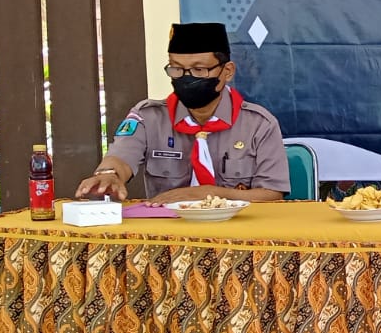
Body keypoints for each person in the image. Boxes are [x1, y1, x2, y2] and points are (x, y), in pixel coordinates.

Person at [76, 22, 290, 203]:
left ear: (227, 71)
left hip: (238, 230)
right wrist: (110, 175)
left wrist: (209, 194)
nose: (187, 78)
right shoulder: (148, 118)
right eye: (176, 69)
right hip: (169, 232)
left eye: (199, 69)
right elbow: (121, 157)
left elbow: (272, 194)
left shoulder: (258, 124)